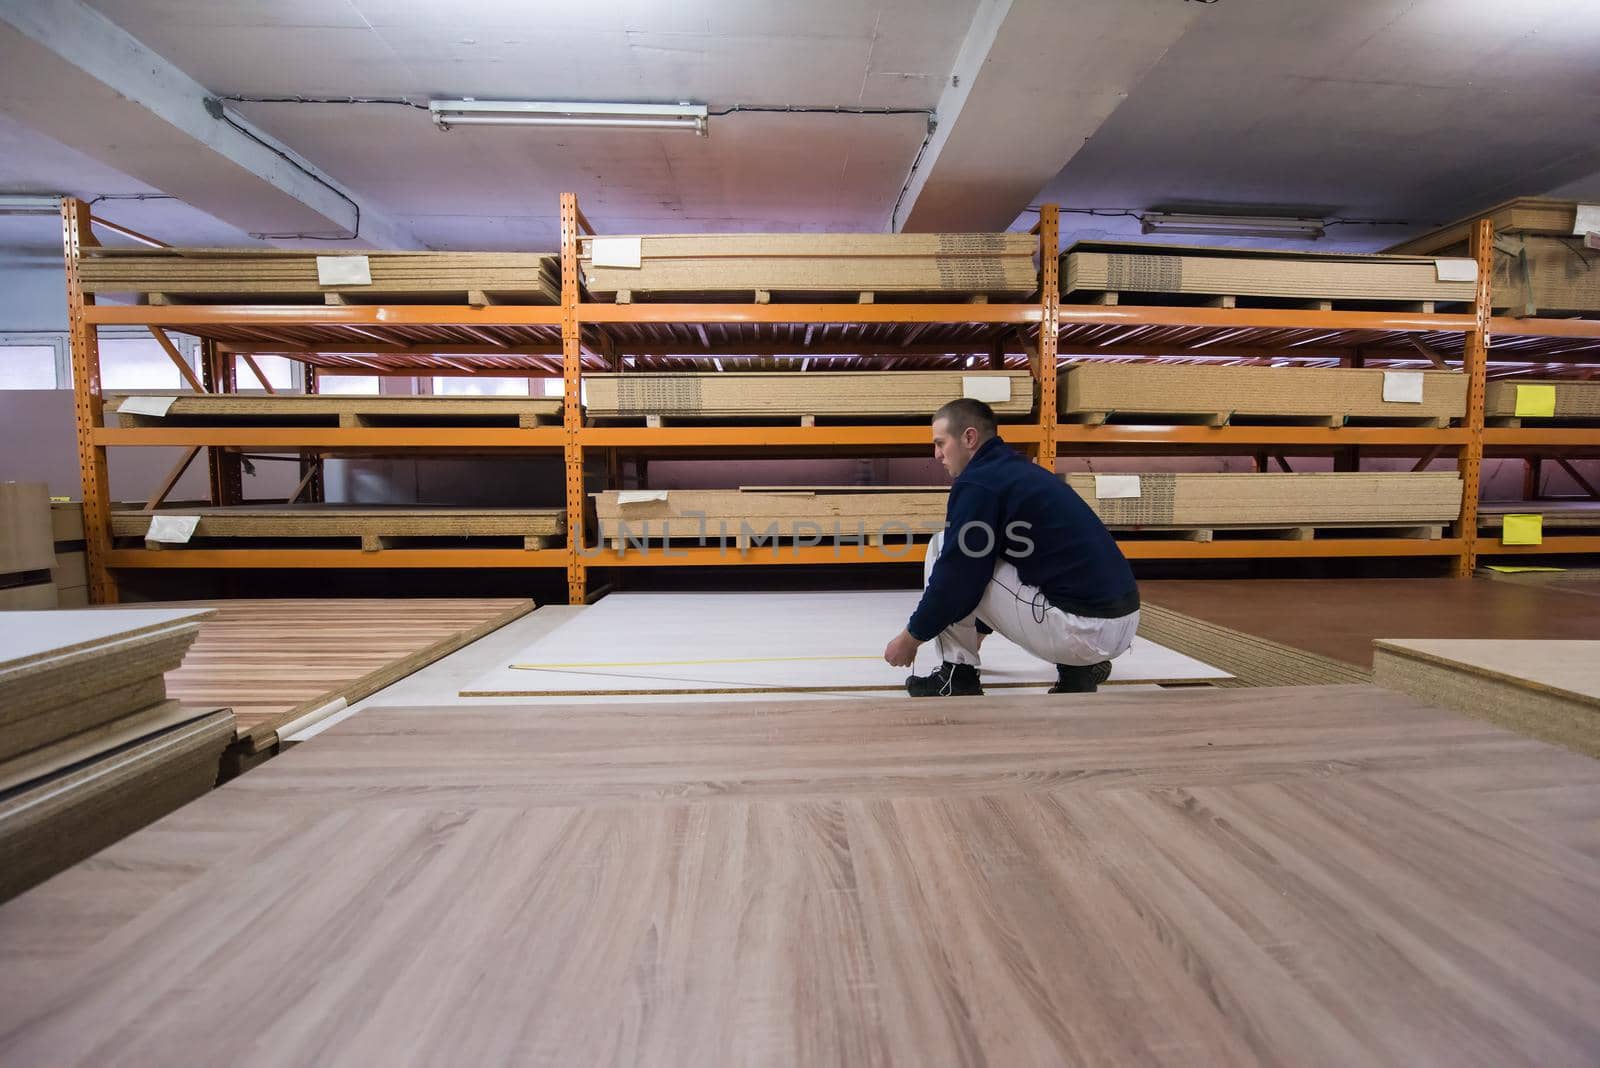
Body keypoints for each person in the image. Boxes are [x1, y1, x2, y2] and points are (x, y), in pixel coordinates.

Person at [882, 397, 1140, 696]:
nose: (937, 454)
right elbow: (1011, 558)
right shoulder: (1020, 472)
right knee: (977, 553)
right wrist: (978, 630)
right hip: (1123, 626)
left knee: (943, 548)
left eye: (941, 443)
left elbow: (956, 578)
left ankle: (957, 676)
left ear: (969, 437)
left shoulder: (978, 484)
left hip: (1081, 632)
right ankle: (1079, 671)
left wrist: (910, 639)